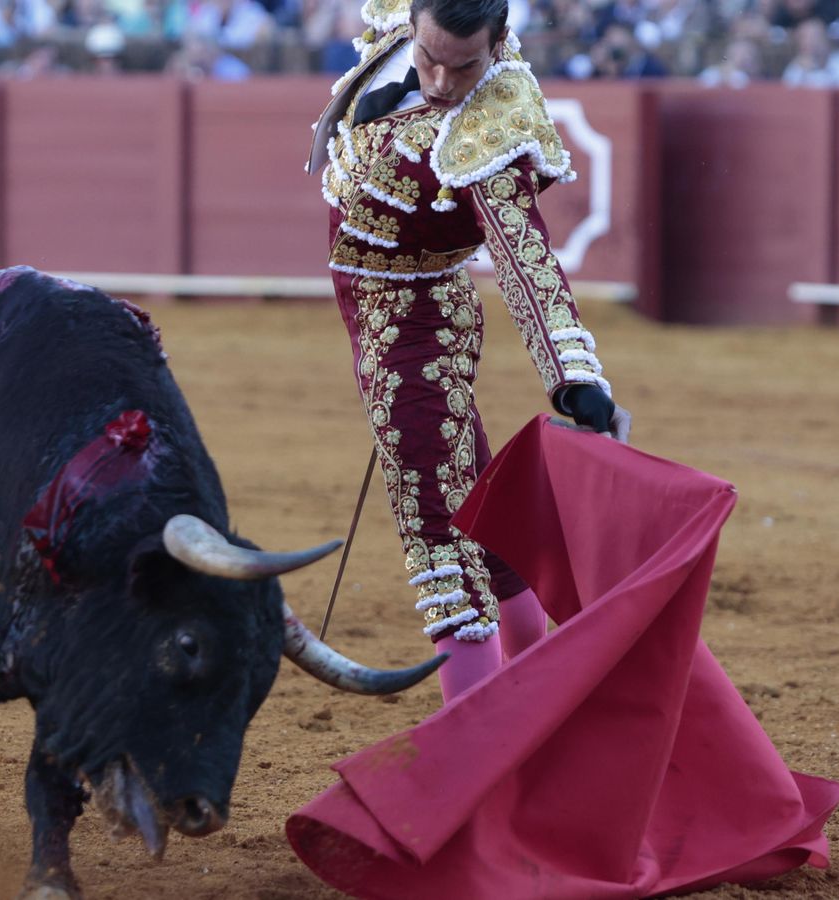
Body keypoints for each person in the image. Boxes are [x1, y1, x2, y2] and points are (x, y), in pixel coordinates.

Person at [308, 0, 631, 701]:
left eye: (465, 66)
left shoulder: (491, 127)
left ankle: (483, 746)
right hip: (380, 314)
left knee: (439, 538)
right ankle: (532, 692)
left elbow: (527, 262)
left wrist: (576, 379)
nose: (443, 81)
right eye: (429, 57)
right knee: (475, 509)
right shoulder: (406, 21)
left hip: (414, 327)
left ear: (499, 45)